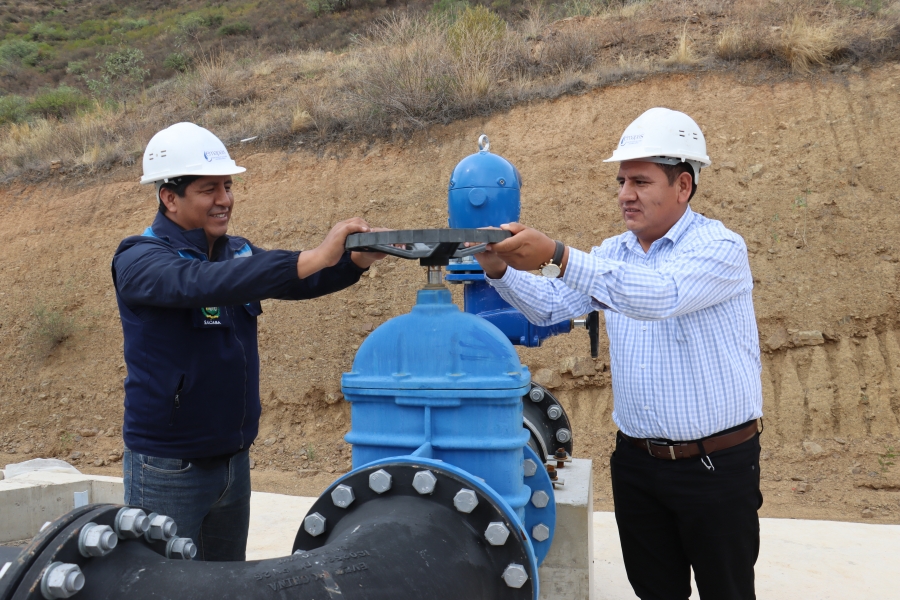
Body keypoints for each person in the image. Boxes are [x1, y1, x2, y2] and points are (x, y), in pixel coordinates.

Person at [473, 107, 763, 599]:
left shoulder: (720, 248)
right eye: (622, 180)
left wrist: (559, 255)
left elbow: (660, 296)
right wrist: (498, 270)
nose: (626, 194)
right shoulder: (614, 254)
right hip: (637, 465)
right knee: (654, 590)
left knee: (727, 591)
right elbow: (550, 307)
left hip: (714, 468)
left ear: (684, 186)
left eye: (641, 181)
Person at [111, 122, 384, 561]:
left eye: (228, 186)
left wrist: (351, 262)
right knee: (162, 587)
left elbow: (296, 282)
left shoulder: (234, 251)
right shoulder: (139, 259)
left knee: (225, 584)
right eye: (208, 189)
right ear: (169, 197)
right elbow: (201, 283)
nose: (224, 199)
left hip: (232, 461)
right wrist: (310, 255)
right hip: (169, 468)